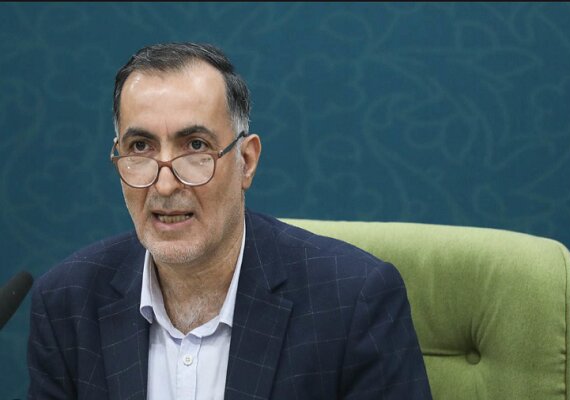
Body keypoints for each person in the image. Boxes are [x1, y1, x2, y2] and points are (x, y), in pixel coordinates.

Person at [27, 42, 432, 399]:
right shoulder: (67, 303)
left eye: (195, 146)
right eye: (141, 147)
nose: (164, 185)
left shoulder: (352, 301)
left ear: (246, 162)